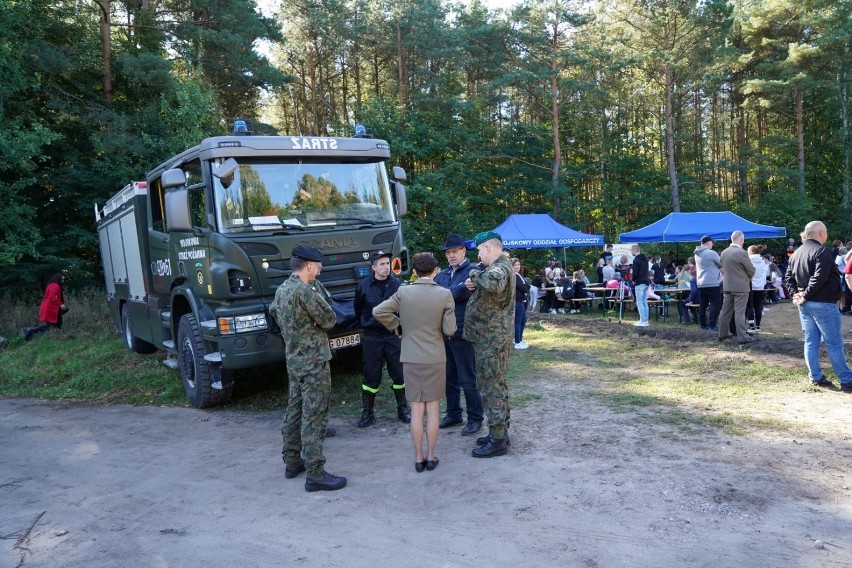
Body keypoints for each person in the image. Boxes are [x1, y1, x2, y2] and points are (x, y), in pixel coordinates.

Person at [269, 245, 346, 492]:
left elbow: (273, 312)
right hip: (314, 362)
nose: (320, 270)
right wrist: (313, 320)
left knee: (295, 409)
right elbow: (330, 319)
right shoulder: (305, 292)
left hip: (294, 360)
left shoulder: (283, 290)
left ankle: (292, 461)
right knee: (315, 415)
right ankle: (315, 473)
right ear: (309, 266)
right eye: (319, 266)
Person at [373, 252, 456, 471]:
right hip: (435, 357)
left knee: (417, 410)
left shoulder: (403, 291)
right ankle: (431, 456)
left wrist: (397, 326)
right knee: (434, 409)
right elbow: (450, 329)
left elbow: (378, 311)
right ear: (435, 271)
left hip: (410, 357)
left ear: (414, 272)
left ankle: (418, 458)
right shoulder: (445, 294)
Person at [463, 231, 515, 458]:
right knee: (496, 386)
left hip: (491, 341)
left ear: (488, 248)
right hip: (490, 339)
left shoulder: (499, 268)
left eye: (479, 250)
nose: (478, 255)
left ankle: (497, 440)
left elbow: (492, 284)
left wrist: (474, 274)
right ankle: (500, 432)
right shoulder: (499, 267)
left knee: (491, 388)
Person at [784, 221, 852, 391]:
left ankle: (815, 376)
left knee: (811, 341)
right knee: (834, 343)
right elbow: (819, 277)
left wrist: (797, 294)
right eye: (826, 232)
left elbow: (788, 278)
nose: (827, 234)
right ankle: (846, 379)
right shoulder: (823, 251)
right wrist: (803, 294)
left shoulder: (797, 253)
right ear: (821, 233)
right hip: (822, 304)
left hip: (806, 304)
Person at [434, 234, 485, 435]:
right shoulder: (443, 274)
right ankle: (454, 413)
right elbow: (438, 296)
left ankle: (475, 418)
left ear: (464, 251)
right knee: (449, 377)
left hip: (464, 333)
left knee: (467, 378)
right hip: (445, 333)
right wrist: (457, 289)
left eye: (455, 251)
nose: (451, 255)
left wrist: (454, 291)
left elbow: (459, 294)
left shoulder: (474, 271)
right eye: (448, 252)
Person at [352, 250, 409, 428]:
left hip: (393, 337)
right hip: (372, 337)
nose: (386, 267)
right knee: (371, 376)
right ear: (373, 267)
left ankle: (403, 409)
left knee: (399, 374)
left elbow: (404, 309)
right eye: (382, 264)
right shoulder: (363, 286)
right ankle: (368, 413)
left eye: (387, 264)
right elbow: (358, 309)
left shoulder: (397, 285)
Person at [717, 231, 756, 345]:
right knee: (740, 312)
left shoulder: (724, 253)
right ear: (741, 240)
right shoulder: (742, 253)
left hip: (727, 286)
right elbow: (751, 270)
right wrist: (747, 277)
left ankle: (722, 334)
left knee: (725, 311)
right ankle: (742, 337)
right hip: (741, 287)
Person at [21, 272, 68, 341]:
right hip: (50, 308)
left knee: (54, 324)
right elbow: (52, 296)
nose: (63, 281)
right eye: (62, 279)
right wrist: (60, 304)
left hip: (49, 307)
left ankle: (56, 337)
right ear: (58, 279)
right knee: (53, 325)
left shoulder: (51, 285)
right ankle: (29, 331)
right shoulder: (55, 286)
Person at [694, 236, 722, 331]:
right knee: (715, 304)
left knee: (703, 305)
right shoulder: (711, 253)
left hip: (701, 282)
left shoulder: (697, 253)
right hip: (712, 282)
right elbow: (722, 263)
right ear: (708, 242)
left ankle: (703, 325)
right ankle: (712, 325)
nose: (713, 244)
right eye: (712, 242)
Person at [746, 245, 768, 333]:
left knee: (750, 306)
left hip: (751, 286)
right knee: (758, 306)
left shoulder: (749, 260)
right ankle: (758, 326)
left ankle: (751, 327)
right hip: (760, 287)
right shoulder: (762, 261)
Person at [511, 258, 530, 349]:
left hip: (521, 301)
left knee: (523, 321)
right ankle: (517, 342)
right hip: (517, 301)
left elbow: (526, 286)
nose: (517, 266)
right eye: (515, 265)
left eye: (519, 265)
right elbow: (525, 288)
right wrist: (525, 286)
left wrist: (526, 286)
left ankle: (519, 339)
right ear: (512, 266)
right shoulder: (514, 276)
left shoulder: (519, 275)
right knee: (518, 322)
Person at [631, 245, 650, 327]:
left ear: (634, 250)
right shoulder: (645, 258)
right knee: (644, 302)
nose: (631, 252)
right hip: (646, 281)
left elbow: (635, 273)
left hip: (639, 282)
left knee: (639, 302)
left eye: (631, 250)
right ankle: (645, 320)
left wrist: (633, 279)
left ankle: (642, 320)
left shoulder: (636, 260)